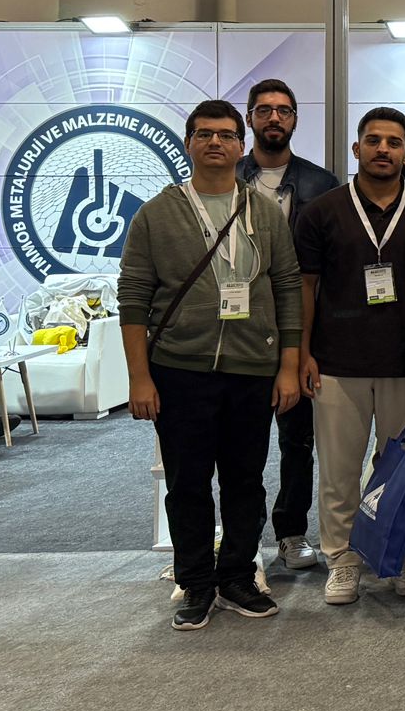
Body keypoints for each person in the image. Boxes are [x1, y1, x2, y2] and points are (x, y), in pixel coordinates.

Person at [119, 100, 302, 631]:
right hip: (180, 369)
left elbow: (288, 288)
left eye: (225, 134)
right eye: (204, 134)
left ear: (242, 146)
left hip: (252, 368)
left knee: (246, 481)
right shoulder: (157, 213)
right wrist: (139, 377)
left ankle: (238, 576)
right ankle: (196, 581)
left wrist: (288, 366)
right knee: (188, 483)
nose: (215, 142)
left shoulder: (263, 210)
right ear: (188, 143)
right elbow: (133, 298)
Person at [297, 108, 405, 607]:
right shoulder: (322, 211)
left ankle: (398, 558)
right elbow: (306, 286)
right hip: (337, 363)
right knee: (339, 472)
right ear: (356, 148)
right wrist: (304, 352)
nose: (384, 149)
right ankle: (342, 560)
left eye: (394, 142)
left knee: (402, 469)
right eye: (374, 140)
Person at [235, 78, 339, 574]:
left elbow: (330, 270)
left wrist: (311, 344)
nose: (274, 118)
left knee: (298, 442)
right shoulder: (226, 176)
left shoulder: (322, 184)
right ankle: (244, 536)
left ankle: (291, 532)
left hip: (298, 328)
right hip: (240, 329)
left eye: (283, 110)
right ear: (250, 118)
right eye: (264, 110)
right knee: (242, 444)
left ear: (296, 119)